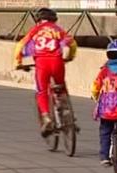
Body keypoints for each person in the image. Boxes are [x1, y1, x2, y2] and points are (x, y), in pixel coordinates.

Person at [14, 8, 77, 137]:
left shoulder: (35, 31)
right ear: (54, 19)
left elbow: (20, 46)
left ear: (38, 20)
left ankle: (46, 117)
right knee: (60, 86)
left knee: (41, 90)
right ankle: (66, 111)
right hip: (57, 62)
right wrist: (70, 57)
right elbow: (72, 43)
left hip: (42, 63)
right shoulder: (58, 30)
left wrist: (18, 63)